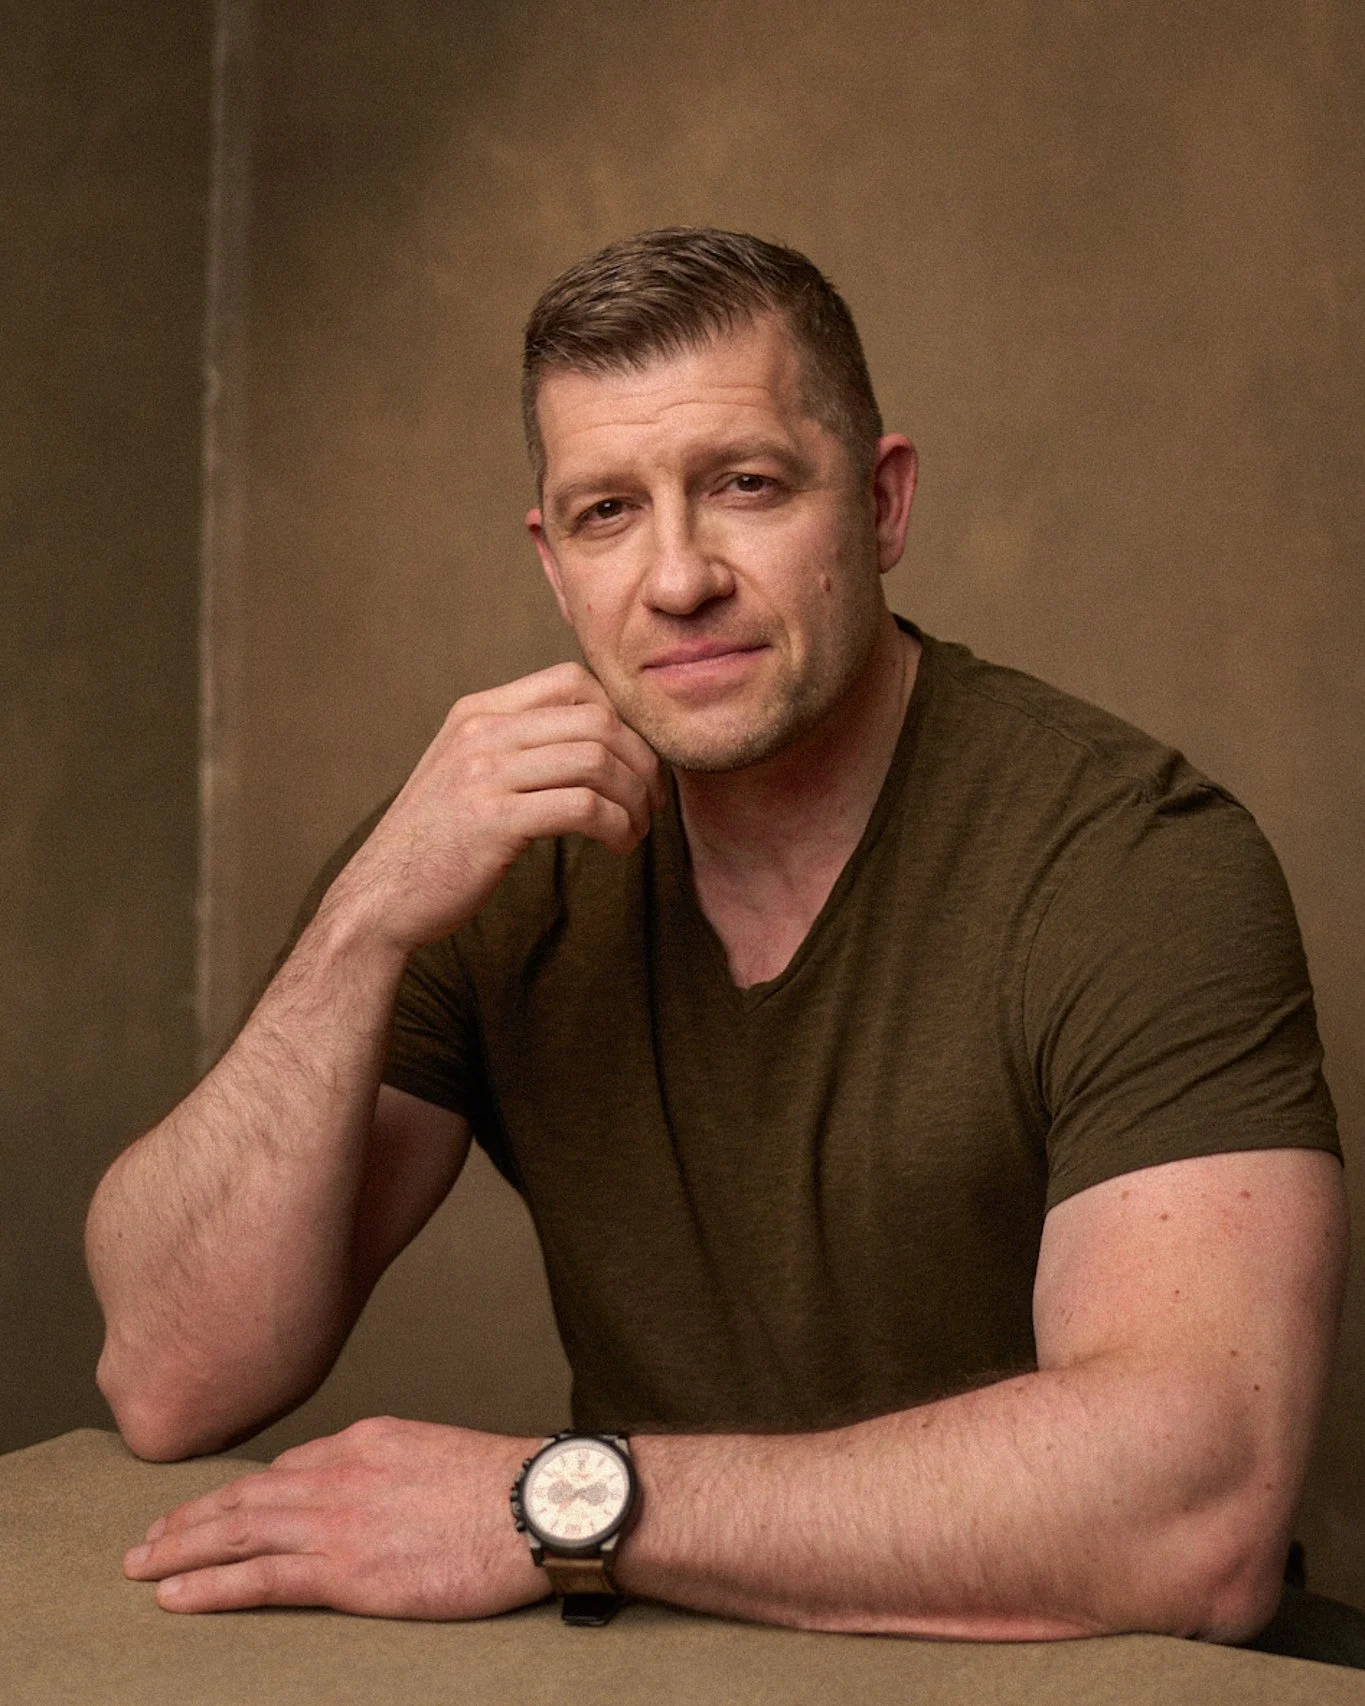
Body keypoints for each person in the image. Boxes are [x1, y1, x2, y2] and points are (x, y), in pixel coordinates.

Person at [87, 228, 1348, 1645]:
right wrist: (362, 920)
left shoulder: (1136, 859)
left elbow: (1198, 1514)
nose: (678, 576)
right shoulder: (488, 851)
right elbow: (170, 1370)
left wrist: (561, 1503)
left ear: (880, 505)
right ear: (554, 566)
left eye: (744, 486)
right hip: (666, 1671)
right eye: (607, 511)